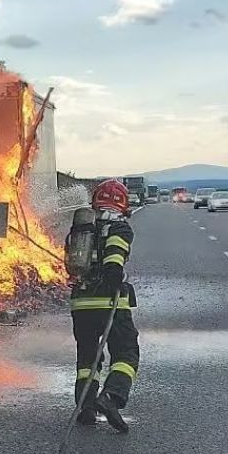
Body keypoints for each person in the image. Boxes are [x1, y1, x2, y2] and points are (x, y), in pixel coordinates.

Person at [69, 179, 139, 433]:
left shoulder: (80, 231)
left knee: (88, 356)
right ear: (123, 204)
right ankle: (112, 396)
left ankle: (85, 408)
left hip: (81, 303)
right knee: (126, 353)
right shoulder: (120, 228)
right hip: (110, 303)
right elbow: (114, 261)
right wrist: (115, 280)